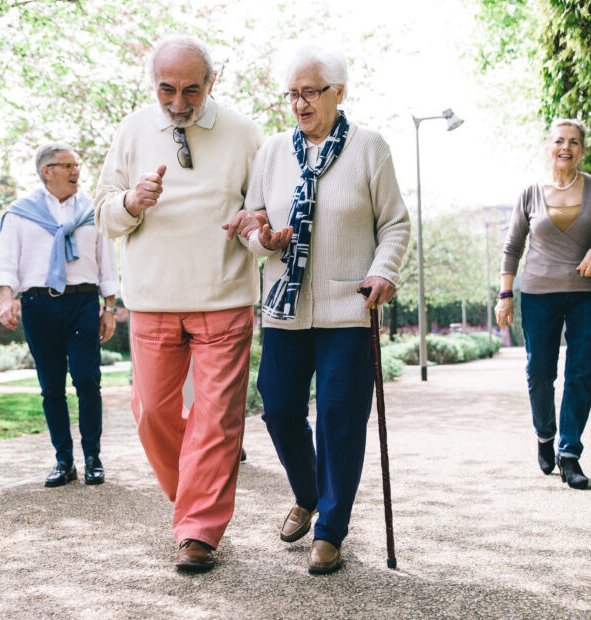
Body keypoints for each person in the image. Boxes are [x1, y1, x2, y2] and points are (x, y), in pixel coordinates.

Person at [237, 43, 410, 575]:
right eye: (292, 93)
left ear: (339, 92)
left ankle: (330, 530)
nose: (299, 103)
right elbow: (252, 221)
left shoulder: (369, 149)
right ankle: (309, 493)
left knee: (340, 418)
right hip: (286, 308)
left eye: (310, 92)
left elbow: (395, 224)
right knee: (281, 406)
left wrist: (384, 270)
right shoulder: (272, 153)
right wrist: (264, 238)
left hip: (347, 308)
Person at [94, 35, 263, 572]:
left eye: (192, 89)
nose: (179, 102)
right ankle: (194, 497)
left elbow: (263, 211)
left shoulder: (244, 134)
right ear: (154, 85)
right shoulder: (133, 129)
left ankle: (198, 530)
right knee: (150, 413)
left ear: (211, 83)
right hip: (152, 297)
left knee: (217, 420)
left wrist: (254, 226)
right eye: (167, 89)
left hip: (223, 295)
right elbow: (103, 213)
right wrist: (130, 202)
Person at [496, 119, 591, 490]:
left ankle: (570, 454)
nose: (565, 147)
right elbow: (513, 246)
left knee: (581, 374)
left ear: (583, 149)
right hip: (538, 293)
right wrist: (505, 295)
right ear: (548, 147)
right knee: (540, 372)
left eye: (574, 142)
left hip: (588, 294)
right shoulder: (531, 192)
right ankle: (545, 435)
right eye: (559, 141)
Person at [0, 142, 119, 488]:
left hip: (82, 304)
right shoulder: (20, 213)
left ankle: (93, 458)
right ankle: (64, 461)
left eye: (77, 164)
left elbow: (107, 263)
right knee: (51, 388)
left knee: (87, 380)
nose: (77, 170)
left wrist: (110, 309)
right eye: (68, 165)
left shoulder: (94, 210)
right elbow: (7, 263)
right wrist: (6, 299)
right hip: (39, 305)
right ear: (48, 171)